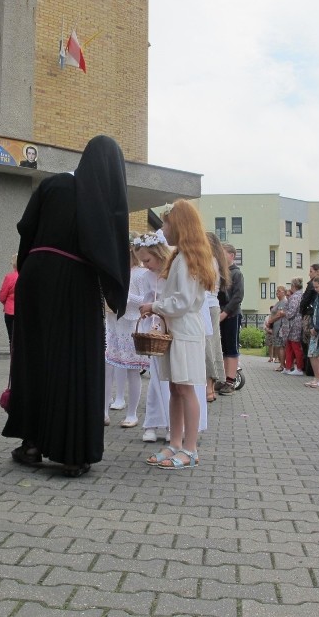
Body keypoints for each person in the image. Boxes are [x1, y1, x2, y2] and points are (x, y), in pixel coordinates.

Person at [3, 135, 131, 478]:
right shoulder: (103, 200)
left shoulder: (54, 184)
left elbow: (26, 228)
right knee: (75, 361)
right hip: (76, 282)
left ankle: (31, 444)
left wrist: (30, 265)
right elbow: (110, 251)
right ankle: (73, 454)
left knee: (34, 360)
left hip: (35, 277)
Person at [140, 200, 216, 470]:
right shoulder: (182, 257)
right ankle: (175, 443)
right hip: (177, 330)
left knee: (185, 389)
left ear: (180, 225)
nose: (163, 228)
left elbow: (182, 301)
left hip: (184, 332)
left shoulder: (185, 260)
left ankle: (190, 448)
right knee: (175, 387)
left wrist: (154, 307)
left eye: (167, 222)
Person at [104, 236, 150, 427]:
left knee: (132, 368)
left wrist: (123, 294)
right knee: (108, 366)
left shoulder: (141, 274)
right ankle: (103, 411)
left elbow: (145, 300)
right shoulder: (114, 271)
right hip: (114, 323)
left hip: (131, 326)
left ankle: (132, 414)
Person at [133, 232, 173, 442]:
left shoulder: (173, 272)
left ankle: (171, 424)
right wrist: (146, 310)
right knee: (156, 379)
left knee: (171, 381)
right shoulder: (147, 276)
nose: (145, 265)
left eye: (147, 260)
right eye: (142, 261)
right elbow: (148, 298)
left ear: (158, 253)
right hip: (156, 329)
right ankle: (152, 422)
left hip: (172, 327)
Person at [216, 243, 244, 395]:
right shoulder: (220, 272)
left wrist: (224, 313)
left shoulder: (236, 274)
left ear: (232, 256)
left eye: (223, 253)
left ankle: (230, 381)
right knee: (222, 348)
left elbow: (237, 297)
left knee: (231, 349)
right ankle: (222, 379)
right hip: (220, 314)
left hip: (231, 315)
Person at [204, 232, 228, 401]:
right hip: (212, 305)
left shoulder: (209, 261)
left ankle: (209, 387)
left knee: (207, 346)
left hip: (207, 306)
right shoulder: (217, 262)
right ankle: (210, 387)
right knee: (212, 344)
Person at [281, 277, 305, 375]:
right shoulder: (298, 295)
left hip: (294, 324)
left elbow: (291, 312)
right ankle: (288, 367)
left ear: (293, 286)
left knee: (295, 346)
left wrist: (284, 313)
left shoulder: (296, 297)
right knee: (290, 346)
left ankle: (299, 368)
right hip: (292, 324)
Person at [0, 254, 18, 346]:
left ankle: (14, 359)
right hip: (25, 311)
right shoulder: (28, 276)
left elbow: (2, 296)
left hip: (10, 310)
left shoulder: (9, 277)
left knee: (12, 338)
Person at [267, 285, 288, 371]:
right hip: (276, 327)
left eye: (279, 291)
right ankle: (281, 364)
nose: (277, 293)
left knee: (280, 346)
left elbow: (280, 314)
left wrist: (271, 320)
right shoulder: (278, 302)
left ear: (284, 292)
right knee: (278, 346)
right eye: (277, 291)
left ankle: (282, 365)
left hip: (280, 327)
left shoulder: (284, 302)